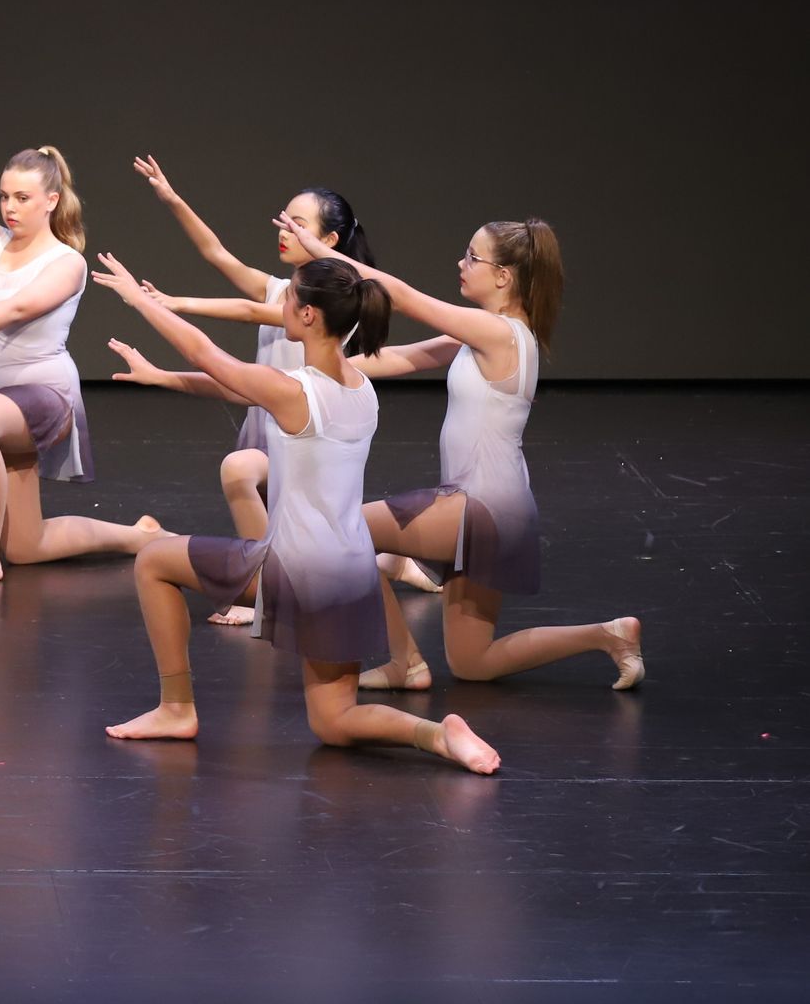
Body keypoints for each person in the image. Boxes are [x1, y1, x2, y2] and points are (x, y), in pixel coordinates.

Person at [94, 254, 501, 775]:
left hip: (297, 569)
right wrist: (164, 378)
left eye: (289, 296)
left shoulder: (296, 392)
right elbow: (238, 385)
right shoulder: (359, 388)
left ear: (308, 314)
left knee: (153, 561)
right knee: (334, 721)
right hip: (353, 574)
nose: (282, 304)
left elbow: (209, 355)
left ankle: (176, 709)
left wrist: (138, 300)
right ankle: (437, 733)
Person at [276, 213, 643, 691]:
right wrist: (316, 374)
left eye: (472, 258)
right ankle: (608, 635)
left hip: (482, 504)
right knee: (473, 662)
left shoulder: (501, 334)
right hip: (497, 503)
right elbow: (401, 358)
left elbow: (402, 296)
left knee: (346, 530)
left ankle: (406, 662)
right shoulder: (487, 333)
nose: (461, 264)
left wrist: (322, 252)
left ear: (503, 276)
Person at [0, 133, 158, 588]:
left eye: (22, 198)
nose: (10, 207)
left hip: (44, 398)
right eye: (4, 196)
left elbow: (20, 308)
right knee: (26, 546)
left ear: (51, 201)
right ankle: (140, 537)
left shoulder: (67, 263)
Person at [128, 156, 374, 622]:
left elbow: (247, 313)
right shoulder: (281, 288)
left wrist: (175, 303)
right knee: (271, 502)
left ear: (328, 241)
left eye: (297, 223)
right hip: (268, 427)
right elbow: (216, 253)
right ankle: (385, 564)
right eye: (283, 219)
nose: (283, 230)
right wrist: (173, 199)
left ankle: (264, 588)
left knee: (243, 473)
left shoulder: (328, 302)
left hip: (304, 432)